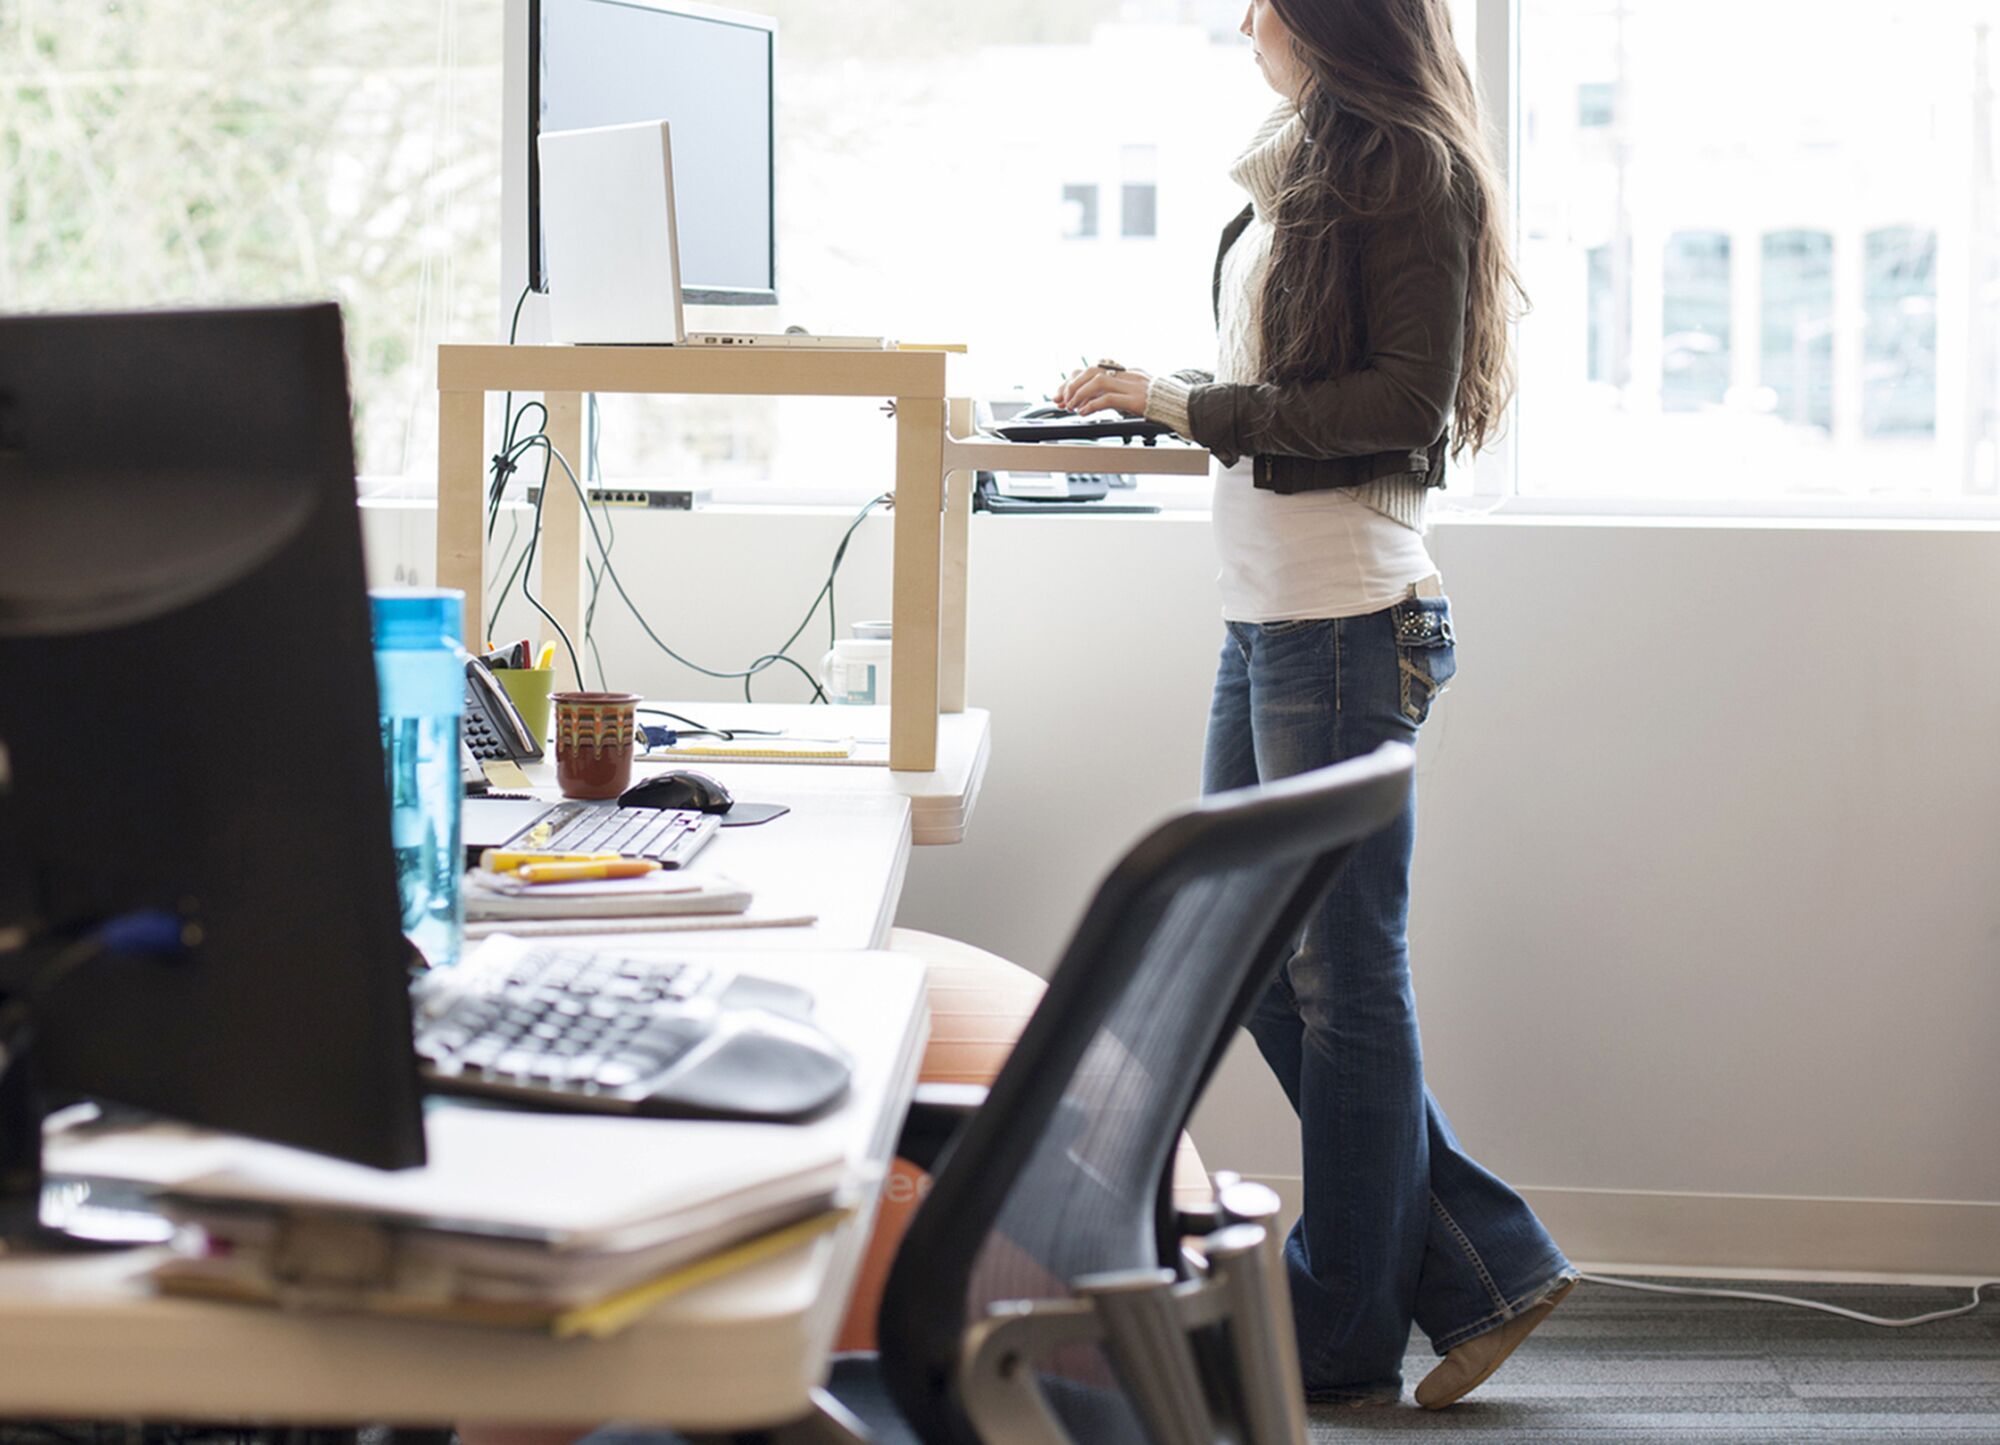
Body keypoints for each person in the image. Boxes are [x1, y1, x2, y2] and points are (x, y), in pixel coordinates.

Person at [1057, 0, 1574, 1412]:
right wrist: (1163, 404)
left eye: (1265, 0)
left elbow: (1397, 406)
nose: (1244, 19)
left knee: (1344, 978)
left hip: (1345, 621)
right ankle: (1482, 1262)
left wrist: (1185, 403)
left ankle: (1345, 1329)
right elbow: (1297, 385)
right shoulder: (1324, 157)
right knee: (1247, 963)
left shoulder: (1409, 166)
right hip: (1276, 618)